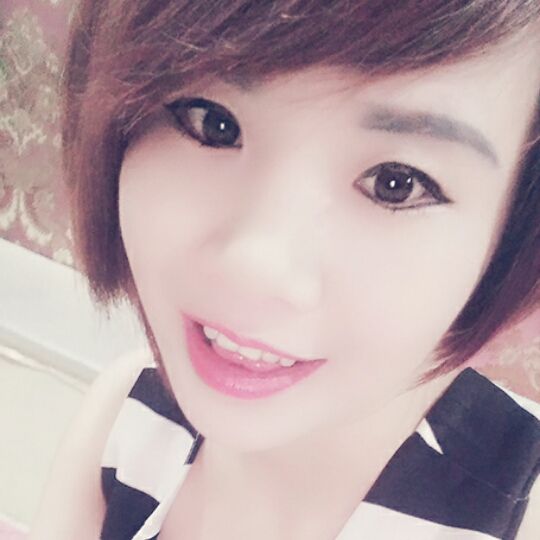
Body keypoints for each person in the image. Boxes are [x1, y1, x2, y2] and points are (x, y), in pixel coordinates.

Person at [30, 1, 540, 538]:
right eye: (213, 123)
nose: (255, 267)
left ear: (514, 232)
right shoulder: (127, 418)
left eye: (396, 183)